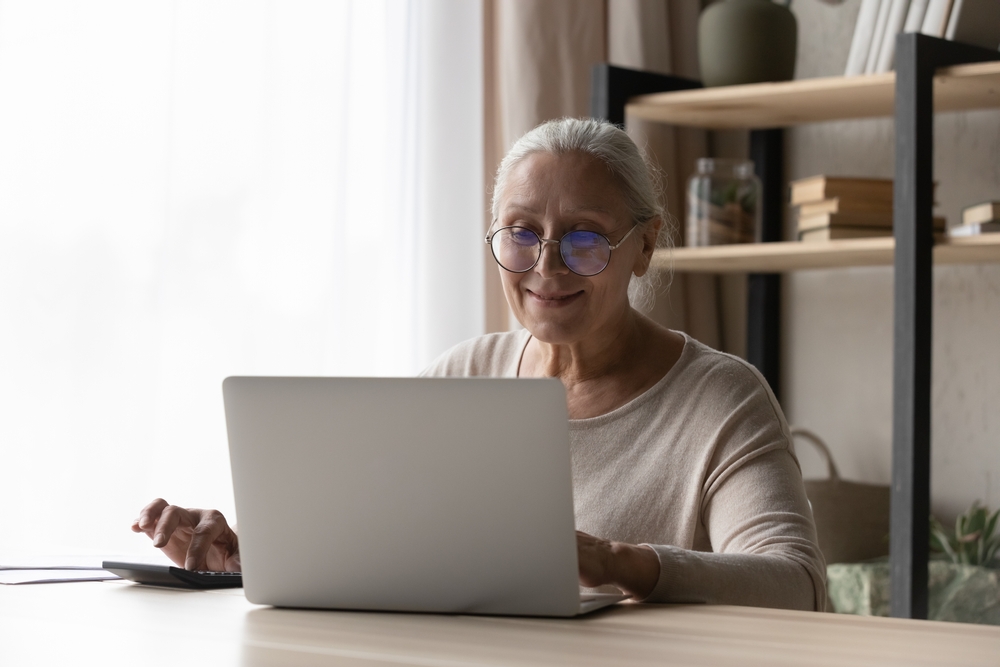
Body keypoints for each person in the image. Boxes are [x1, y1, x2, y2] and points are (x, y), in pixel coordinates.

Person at [133, 118, 826, 610]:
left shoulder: (721, 398)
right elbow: (374, 551)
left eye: (584, 238)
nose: (546, 266)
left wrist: (616, 562)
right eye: (522, 233)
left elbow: (797, 584)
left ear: (645, 246)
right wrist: (246, 558)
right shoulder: (462, 376)